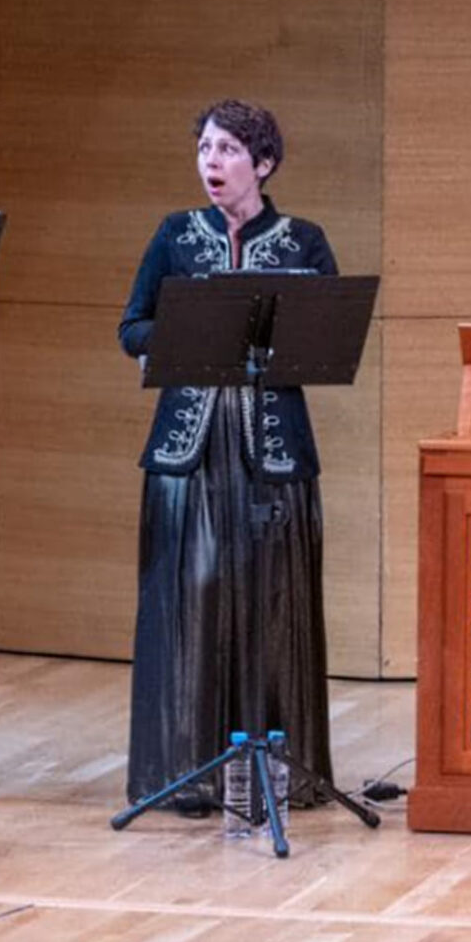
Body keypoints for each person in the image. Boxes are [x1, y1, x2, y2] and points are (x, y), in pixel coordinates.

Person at [119, 99, 339, 812]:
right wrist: (179, 334)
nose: (211, 163)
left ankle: (277, 768)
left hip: (272, 453)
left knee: (272, 603)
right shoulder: (175, 235)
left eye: (227, 151)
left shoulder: (304, 242)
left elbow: (326, 339)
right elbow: (132, 326)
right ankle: (192, 770)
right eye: (204, 149)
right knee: (194, 597)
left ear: (263, 164)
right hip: (190, 450)